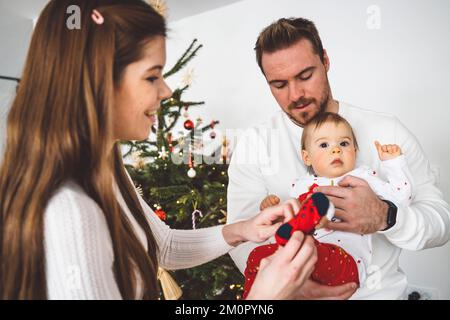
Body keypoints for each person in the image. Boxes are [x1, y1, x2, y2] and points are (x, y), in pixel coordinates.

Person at [0, 1, 317, 300]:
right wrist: (263, 297)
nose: (166, 90)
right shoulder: (69, 209)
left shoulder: (106, 168)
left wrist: (244, 229)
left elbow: (163, 245)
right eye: (152, 76)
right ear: (97, 83)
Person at [227, 17, 450, 299]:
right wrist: (292, 286)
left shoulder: (386, 130)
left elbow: (440, 223)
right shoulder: (254, 144)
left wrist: (386, 216)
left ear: (326, 61)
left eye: (305, 76)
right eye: (279, 84)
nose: (296, 95)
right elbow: (241, 239)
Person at [242, 112, 414, 299]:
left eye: (344, 143)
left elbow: (401, 198)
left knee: (308, 248)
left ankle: (307, 227)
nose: (336, 150)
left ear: (355, 151)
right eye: (324, 145)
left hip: (346, 264)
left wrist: (394, 164)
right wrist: (272, 209)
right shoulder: (301, 186)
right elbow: (287, 216)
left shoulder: (364, 180)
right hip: (304, 260)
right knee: (258, 256)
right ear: (307, 158)